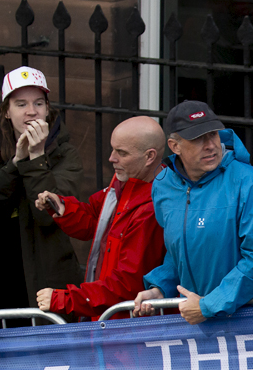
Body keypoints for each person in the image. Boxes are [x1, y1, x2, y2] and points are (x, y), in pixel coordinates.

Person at [132, 101, 253, 321]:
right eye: (197, 138)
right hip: (202, 322)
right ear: (175, 146)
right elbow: (179, 251)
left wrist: (208, 305)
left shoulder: (249, 182)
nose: (210, 145)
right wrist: (160, 288)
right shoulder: (163, 185)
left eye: (212, 134)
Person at [33, 116, 167, 320]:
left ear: (149, 157)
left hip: (125, 328)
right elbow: (95, 221)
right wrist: (62, 207)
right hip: (107, 317)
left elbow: (125, 285)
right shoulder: (125, 182)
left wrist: (67, 299)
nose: (111, 158)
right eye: (113, 149)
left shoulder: (151, 209)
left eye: (121, 153)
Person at [0, 67, 86, 311]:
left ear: (47, 109)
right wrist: (17, 163)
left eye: (38, 103)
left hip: (48, 273)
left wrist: (36, 157)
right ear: (6, 111)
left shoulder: (66, 153)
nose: (31, 111)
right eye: (20, 104)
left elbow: (48, 215)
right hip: (0, 270)